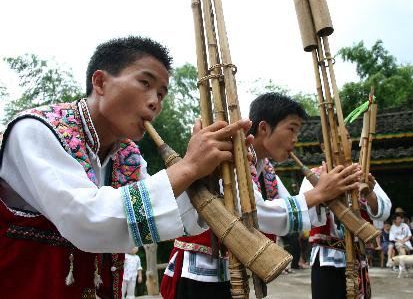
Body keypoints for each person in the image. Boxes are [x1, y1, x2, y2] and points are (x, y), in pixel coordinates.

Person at [0, 36, 253, 298]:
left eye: (161, 94)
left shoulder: (128, 156)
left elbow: (170, 215)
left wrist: (214, 174)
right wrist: (189, 167)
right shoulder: (35, 130)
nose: (155, 102)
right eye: (145, 83)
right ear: (100, 82)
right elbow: (87, 220)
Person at [160, 92, 362, 299]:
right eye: (291, 129)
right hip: (199, 273)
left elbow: (290, 211)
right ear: (264, 128)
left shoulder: (266, 169)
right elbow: (256, 214)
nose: (295, 138)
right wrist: (319, 193)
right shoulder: (233, 154)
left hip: (231, 273)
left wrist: (327, 195)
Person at [304, 126, 392, 299]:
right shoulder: (315, 176)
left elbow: (384, 211)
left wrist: (369, 193)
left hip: (358, 257)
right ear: (323, 146)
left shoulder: (361, 172)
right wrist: (324, 194)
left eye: (348, 136)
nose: (346, 141)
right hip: (327, 258)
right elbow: (307, 216)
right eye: (338, 138)